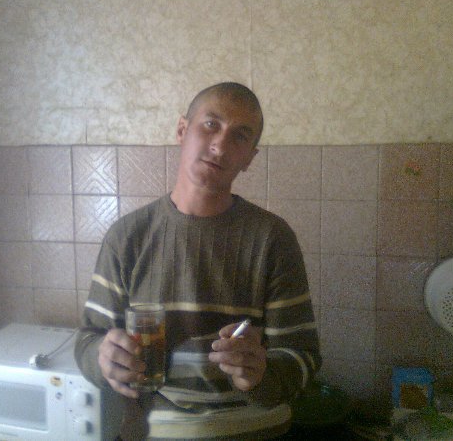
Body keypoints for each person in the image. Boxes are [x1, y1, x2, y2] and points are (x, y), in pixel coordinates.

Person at [75, 82, 321, 440]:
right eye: (211, 124)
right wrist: (103, 357)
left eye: (240, 136)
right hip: (158, 431)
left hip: (257, 430)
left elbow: (304, 357)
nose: (220, 145)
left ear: (250, 158)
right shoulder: (127, 237)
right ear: (181, 130)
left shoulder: (273, 239)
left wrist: (262, 375)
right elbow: (87, 341)